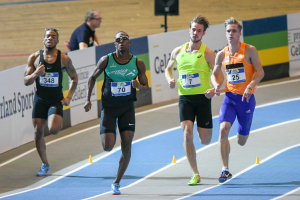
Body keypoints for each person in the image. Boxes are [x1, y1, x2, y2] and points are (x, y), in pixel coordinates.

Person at [84, 31, 149, 195]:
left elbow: (146, 90)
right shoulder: (106, 60)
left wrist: (138, 86)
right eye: (118, 40)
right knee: (108, 146)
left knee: (127, 145)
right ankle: (107, 130)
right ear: (115, 44)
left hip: (127, 108)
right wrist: (88, 99)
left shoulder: (138, 63)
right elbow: (92, 77)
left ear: (129, 43)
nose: (121, 42)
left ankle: (117, 182)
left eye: (124, 39)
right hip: (109, 107)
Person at [211, 17, 264, 183]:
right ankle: (225, 170)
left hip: (246, 100)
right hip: (230, 98)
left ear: (240, 33)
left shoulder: (249, 50)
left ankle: (233, 140)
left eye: (234, 31)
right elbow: (215, 74)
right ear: (225, 33)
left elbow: (260, 72)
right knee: (222, 130)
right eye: (228, 31)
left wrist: (251, 85)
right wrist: (215, 86)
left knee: (241, 141)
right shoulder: (222, 54)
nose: (231, 33)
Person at [165, 14, 216, 185]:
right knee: (187, 135)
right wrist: (170, 79)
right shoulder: (178, 51)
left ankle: (205, 136)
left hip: (202, 98)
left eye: (199, 31)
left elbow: (217, 74)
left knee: (205, 140)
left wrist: (215, 87)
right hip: (185, 98)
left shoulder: (208, 53)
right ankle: (195, 173)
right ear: (189, 30)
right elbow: (167, 68)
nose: (195, 33)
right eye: (193, 29)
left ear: (203, 33)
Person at [24, 28, 78, 176]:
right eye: (48, 36)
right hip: (40, 99)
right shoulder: (34, 57)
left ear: (57, 41)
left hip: (56, 99)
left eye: (54, 37)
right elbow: (26, 81)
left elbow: (75, 77)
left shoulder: (64, 59)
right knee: (37, 132)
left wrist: (69, 97)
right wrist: (36, 74)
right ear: (43, 39)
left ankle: (58, 122)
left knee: (53, 130)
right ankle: (45, 164)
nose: (50, 38)